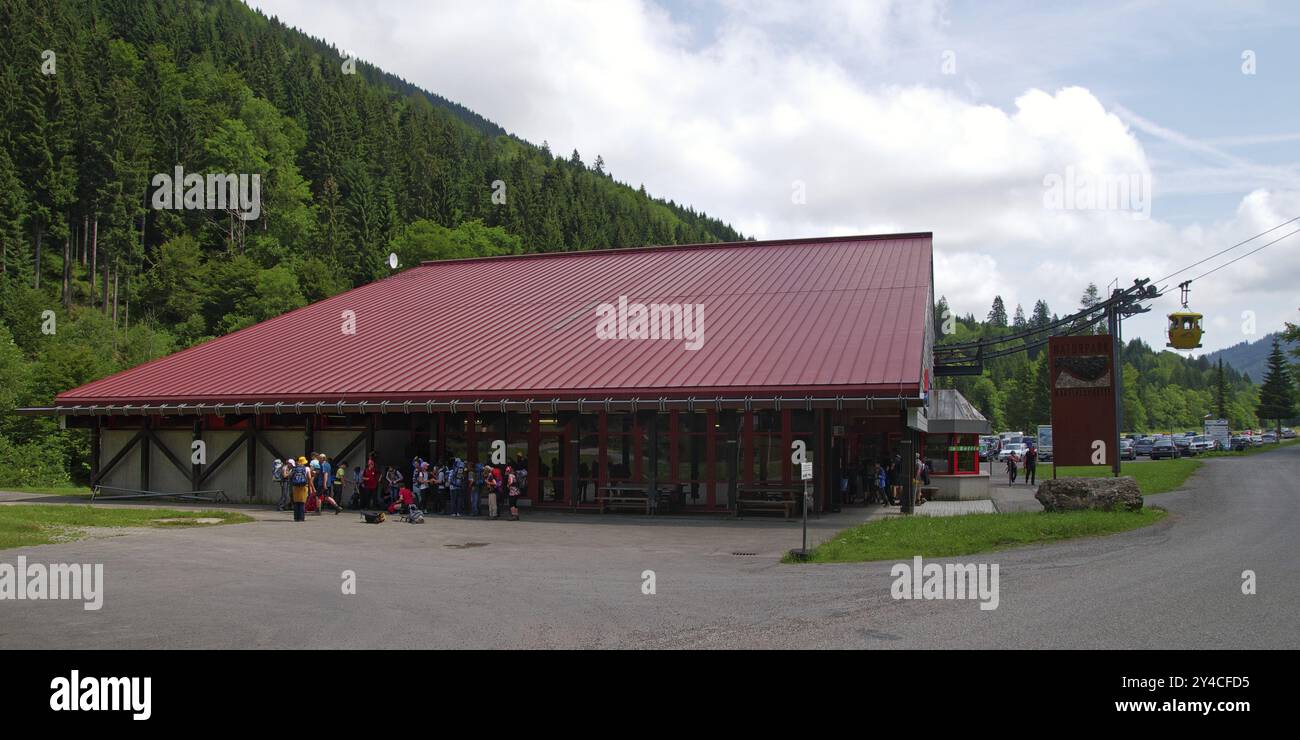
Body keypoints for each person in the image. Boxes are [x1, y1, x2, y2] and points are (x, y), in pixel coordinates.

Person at [289, 456, 311, 521]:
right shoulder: (307, 468)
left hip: (295, 486)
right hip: (303, 486)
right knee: (302, 502)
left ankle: (296, 518)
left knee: (296, 502)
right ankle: (301, 518)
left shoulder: (294, 468)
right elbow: (309, 478)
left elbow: (290, 476)